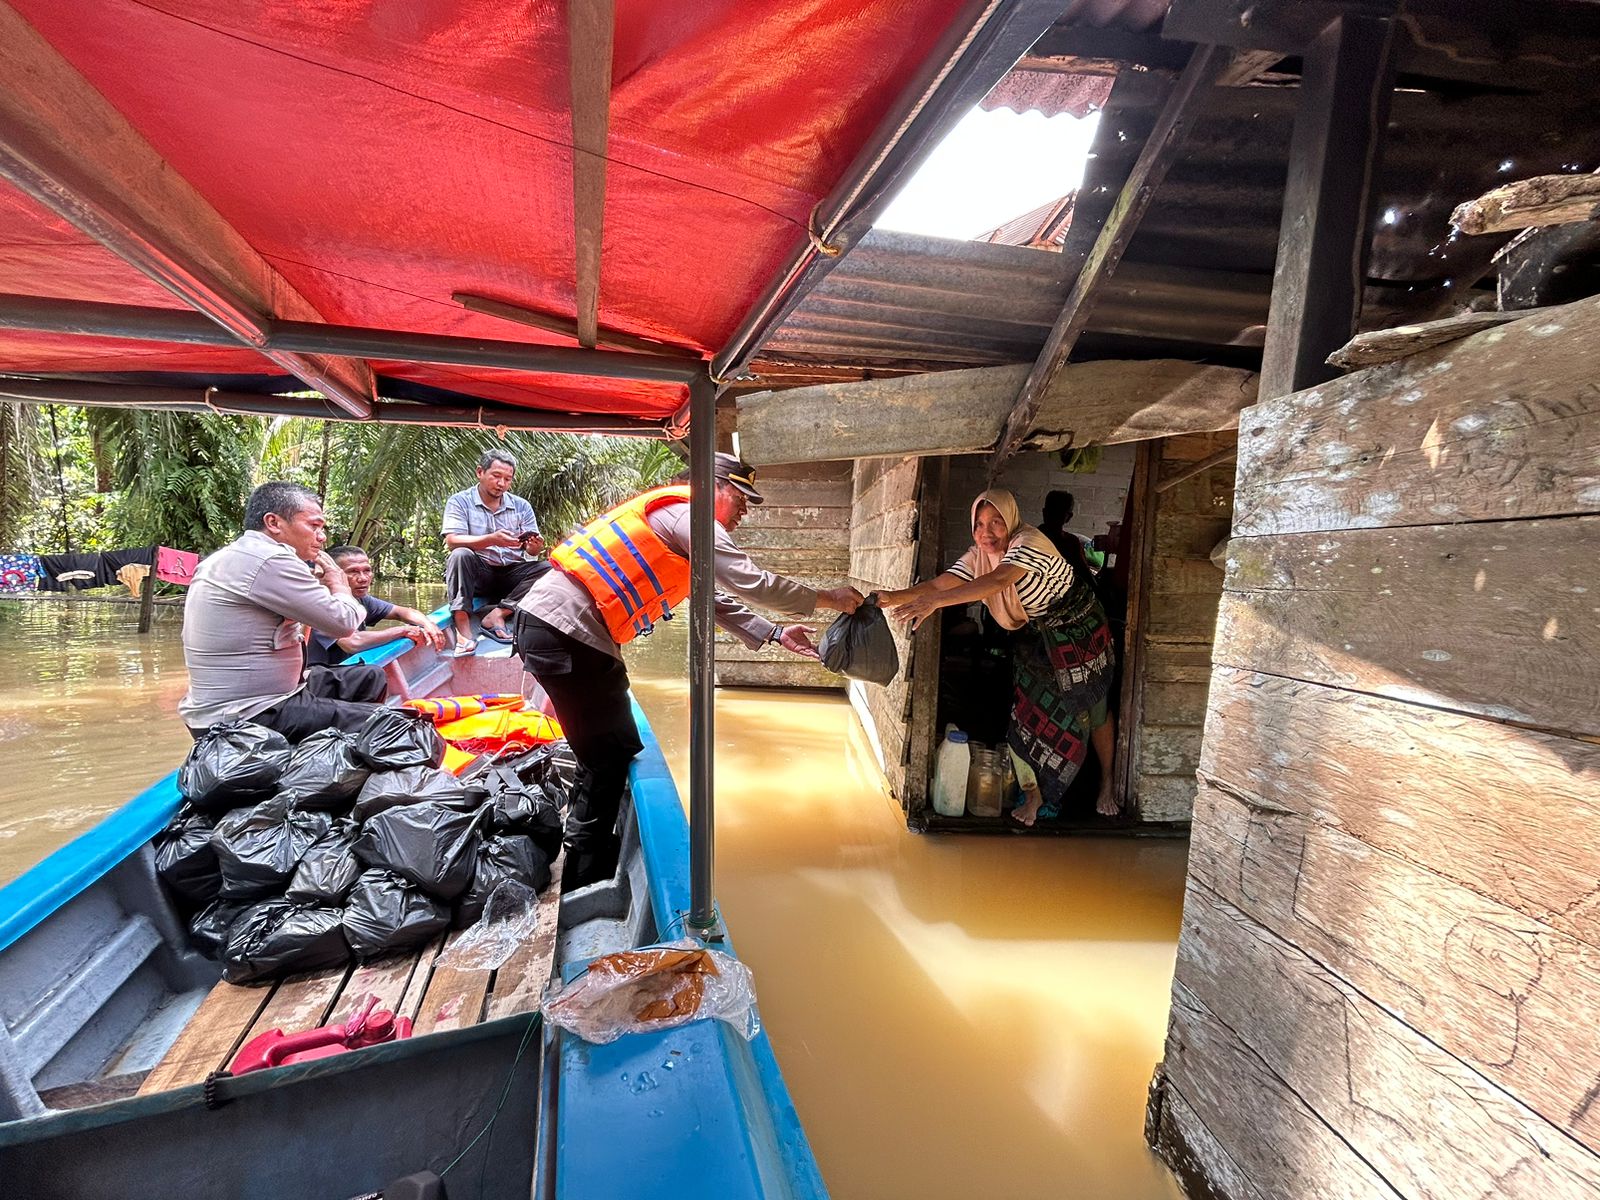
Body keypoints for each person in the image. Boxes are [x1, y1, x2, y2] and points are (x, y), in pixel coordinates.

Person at [514, 453, 865, 890]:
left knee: (613, 745)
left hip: (565, 632)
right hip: (566, 632)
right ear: (711, 487)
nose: (744, 510)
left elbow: (713, 600)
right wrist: (829, 598)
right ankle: (585, 875)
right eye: (740, 497)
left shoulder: (678, 523)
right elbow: (751, 581)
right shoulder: (689, 515)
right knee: (609, 754)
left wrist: (774, 633)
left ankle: (587, 855)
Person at [879, 488, 1118, 824]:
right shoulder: (980, 554)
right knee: (1026, 713)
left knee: (1093, 707)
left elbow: (999, 579)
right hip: (1040, 633)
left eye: (996, 523)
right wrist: (890, 597)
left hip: (1079, 629)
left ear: (1012, 521)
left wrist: (935, 604)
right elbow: (942, 583)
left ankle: (1106, 781)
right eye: (978, 524)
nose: (985, 532)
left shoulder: (1029, 542)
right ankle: (1035, 794)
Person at [178, 483, 386, 741]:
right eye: (314, 526)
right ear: (274, 523)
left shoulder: (236, 555)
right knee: (390, 724)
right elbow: (344, 623)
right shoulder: (270, 559)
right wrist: (337, 582)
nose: (322, 537)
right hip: (251, 713)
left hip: (274, 696)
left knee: (369, 676)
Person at [442, 450, 550, 654]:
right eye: (496, 476)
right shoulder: (460, 501)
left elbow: (532, 550)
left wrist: (534, 547)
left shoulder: (522, 506)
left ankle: (499, 613)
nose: (501, 483)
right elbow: (452, 540)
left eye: (507, 479)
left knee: (552, 569)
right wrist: (491, 540)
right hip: (478, 575)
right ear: (480, 472)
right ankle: (463, 628)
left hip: (511, 573)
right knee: (460, 554)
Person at [302, 545, 448, 668]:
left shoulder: (361, 599)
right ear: (335, 574)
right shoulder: (323, 602)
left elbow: (401, 612)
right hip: (317, 677)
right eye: (353, 572)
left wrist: (427, 624)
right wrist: (402, 631)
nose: (363, 578)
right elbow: (353, 643)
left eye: (367, 570)